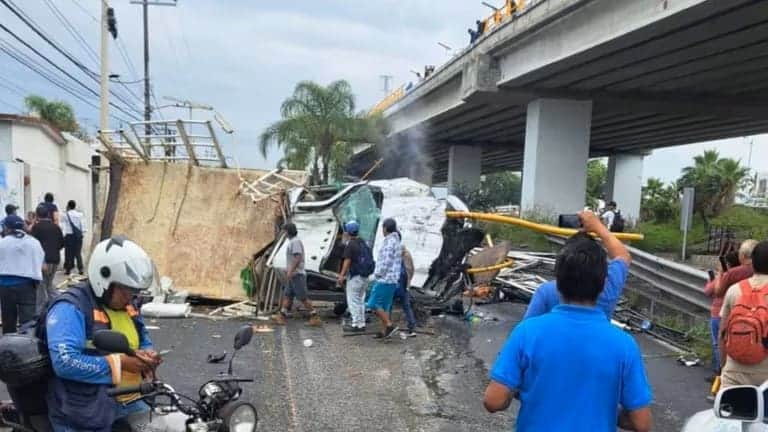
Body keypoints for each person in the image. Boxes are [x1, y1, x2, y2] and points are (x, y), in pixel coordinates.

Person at [483, 211, 652, 432]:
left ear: (557, 281)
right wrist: (608, 411)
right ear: (602, 284)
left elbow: (493, 401)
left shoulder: (528, 333)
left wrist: (525, 390)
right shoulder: (624, 345)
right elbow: (642, 422)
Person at [45, 236, 160, 431]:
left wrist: (147, 353)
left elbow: (142, 336)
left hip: (130, 398)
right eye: (126, 290)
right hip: (83, 408)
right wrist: (120, 363)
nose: (131, 297)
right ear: (104, 279)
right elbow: (64, 362)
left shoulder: (127, 304)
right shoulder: (70, 307)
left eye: (134, 291)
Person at [523, 210, 631, 320]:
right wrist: (598, 227)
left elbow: (527, 327)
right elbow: (623, 256)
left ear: (559, 269)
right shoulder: (608, 291)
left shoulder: (546, 292)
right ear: (602, 270)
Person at [718, 240, 768, 388]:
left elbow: (722, 333)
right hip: (766, 380)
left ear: (752, 263)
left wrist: (723, 367)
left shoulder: (735, 290)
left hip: (734, 374)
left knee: (727, 411)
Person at [0, 215, 44, 334]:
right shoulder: (34, 242)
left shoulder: (2, 242)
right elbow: (41, 263)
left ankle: (8, 347)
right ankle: (27, 345)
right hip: (27, 286)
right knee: (28, 321)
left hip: (5, 287)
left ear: (7, 228)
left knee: (8, 320)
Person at [703, 250, 742, 381]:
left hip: (718, 313)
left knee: (717, 343)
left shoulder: (725, 277)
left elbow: (709, 291)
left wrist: (715, 277)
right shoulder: (742, 277)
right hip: (734, 314)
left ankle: (719, 372)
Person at [273, 222, 321, 326]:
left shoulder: (295, 242)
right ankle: (281, 316)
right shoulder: (293, 242)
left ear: (288, 232)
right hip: (293, 275)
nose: (283, 234)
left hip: (297, 275)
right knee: (287, 295)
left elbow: (297, 257)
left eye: (284, 231)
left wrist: (290, 271)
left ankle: (315, 316)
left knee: (303, 297)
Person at [367, 218, 402, 339]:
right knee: (385, 306)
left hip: (385, 279)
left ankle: (389, 325)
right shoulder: (396, 241)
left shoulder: (389, 242)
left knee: (373, 303)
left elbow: (385, 262)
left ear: (385, 228)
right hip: (392, 280)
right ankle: (384, 332)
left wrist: (377, 275)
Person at [31, 205, 64, 312]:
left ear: (37, 215)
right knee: (48, 284)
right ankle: (60, 303)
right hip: (55, 259)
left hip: (43, 261)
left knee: (41, 286)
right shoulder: (56, 227)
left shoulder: (36, 227)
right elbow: (62, 244)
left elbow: (32, 244)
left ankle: (39, 312)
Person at [337, 221, 369, 332]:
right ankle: (361, 323)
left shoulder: (351, 244)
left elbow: (347, 261)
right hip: (365, 276)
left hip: (355, 276)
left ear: (348, 232)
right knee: (360, 300)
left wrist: (341, 276)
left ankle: (355, 324)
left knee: (353, 300)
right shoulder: (363, 242)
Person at [392, 240, 417, 337]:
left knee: (389, 303)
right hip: (405, 286)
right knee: (406, 307)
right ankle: (412, 327)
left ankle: (388, 325)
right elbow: (411, 271)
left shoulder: (404, 257)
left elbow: (403, 273)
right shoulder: (407, 255)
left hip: (400, 285)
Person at [61, 200, 86, 276]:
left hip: (69, 236)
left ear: (68, 206)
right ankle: (80, 269)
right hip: (78, 236)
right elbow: (83, 226)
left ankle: (68, 269)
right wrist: (82, 233)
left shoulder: (65, 215)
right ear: (75, 206)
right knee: (78, 253)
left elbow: (63, 225)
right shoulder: (80, 215)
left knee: (68, 253)